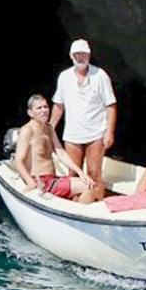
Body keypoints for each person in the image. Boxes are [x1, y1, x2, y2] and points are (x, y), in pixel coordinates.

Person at [49, 39, 117, 187]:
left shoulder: (100, 75)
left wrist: (109, 132)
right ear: (71, 56)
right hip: (72, 136)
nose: (80, 57)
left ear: (89, 55)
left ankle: (94, 204)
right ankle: (76, 205)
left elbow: (111, 105)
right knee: (72, 175)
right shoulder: (64, 77)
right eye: (77, 54)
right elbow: (59, 105)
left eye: (83, 54)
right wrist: (50, 128)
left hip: (96, 134)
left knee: (94, 174)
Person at [13, 94, 103, 203]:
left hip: (53, 179)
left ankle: (74, 211)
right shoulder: (27, 130)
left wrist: (81, 173)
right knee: (89, 187)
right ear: (30, 113)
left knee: (89, 183)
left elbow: (60, 152)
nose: (44, 110)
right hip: (41, 181)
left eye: (45, 107)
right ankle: (77, 213)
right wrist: (29, 181)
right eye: (39, 108)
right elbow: (18, 161)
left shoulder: (49, 128)